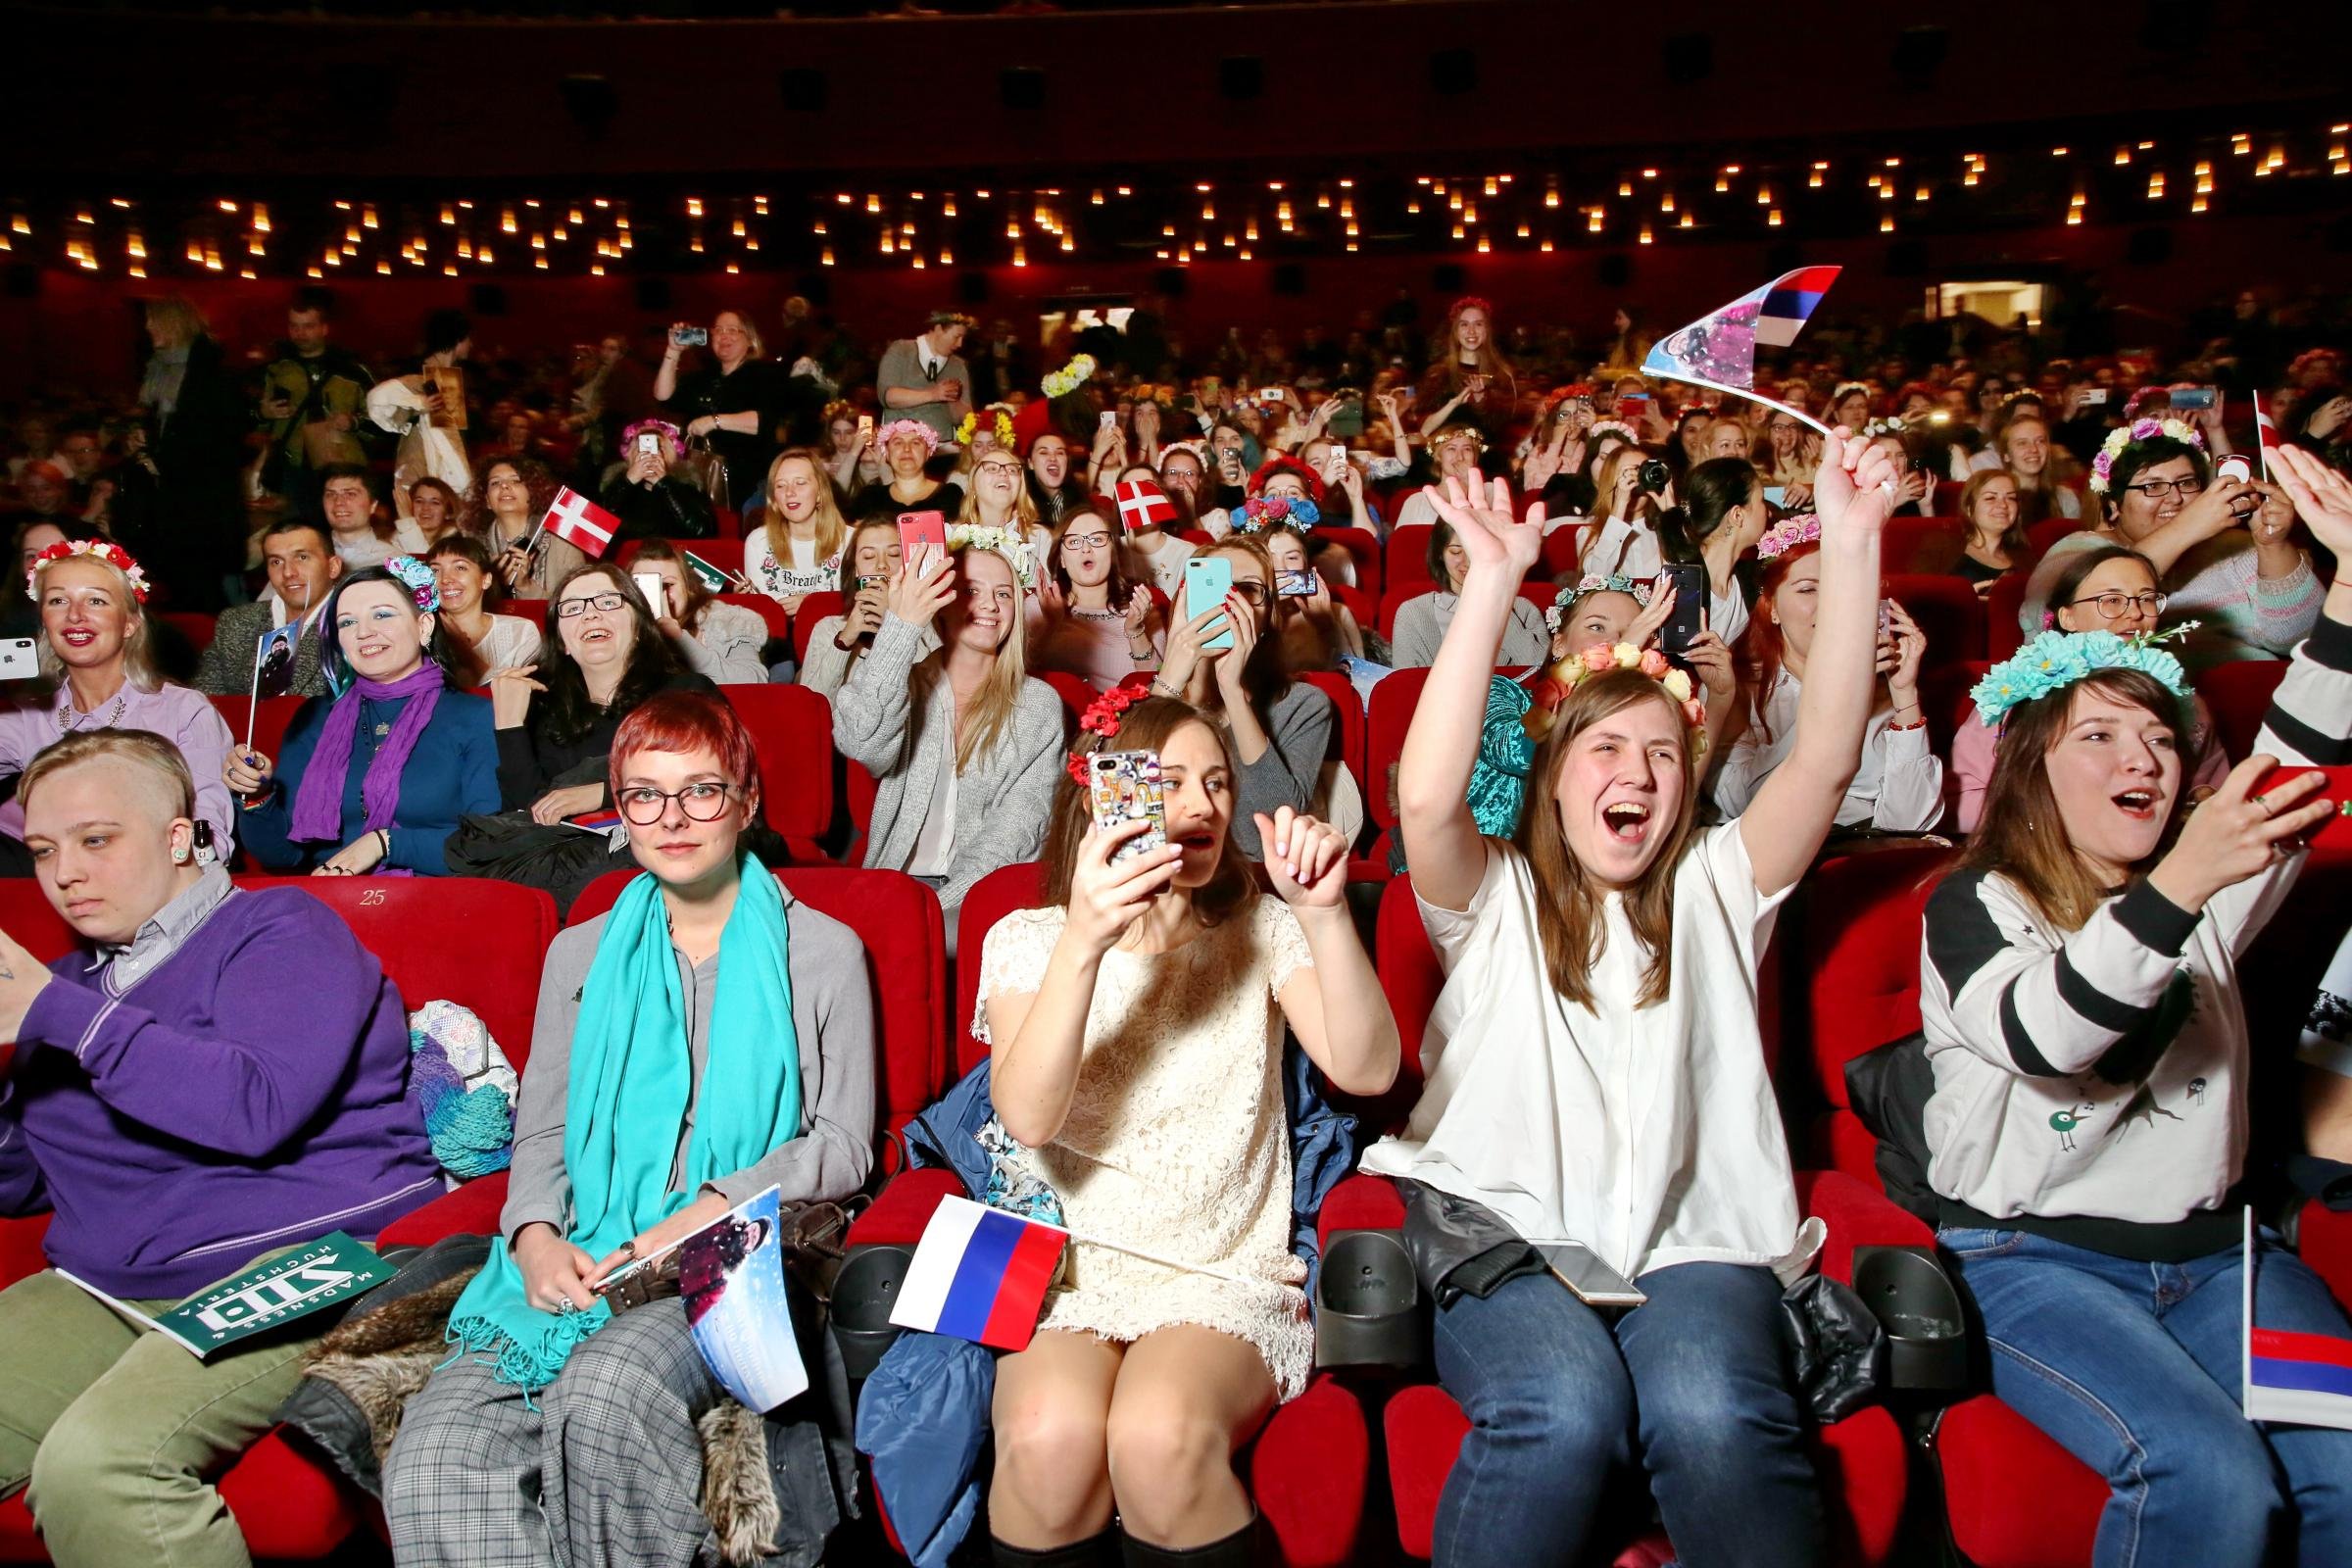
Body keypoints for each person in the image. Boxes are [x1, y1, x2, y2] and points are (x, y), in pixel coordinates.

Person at [1362, 445, 1901, 1567]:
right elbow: (1423, 792)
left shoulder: (1718, 883)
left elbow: (1828, 757)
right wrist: (1493, 583)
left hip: (1692, 1237)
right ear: (1557, 776)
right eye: (1607, 747)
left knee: (1713, 1414)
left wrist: (1850, 544)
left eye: (1665, 753)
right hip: (1504, 1230)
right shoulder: (1495, 893)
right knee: (1564, 1414)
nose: (1641, 773)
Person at [1915, 442, 2352, 1568]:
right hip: (2030, 1260)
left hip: (2222, 1257)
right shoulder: (1976, 902)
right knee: (2209, 1474)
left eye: (2161, 735)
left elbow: (2297, 752)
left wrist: (2347, 592)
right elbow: (2048, 1035)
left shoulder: (2198, 872)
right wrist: (2179, 883)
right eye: (2101, 735)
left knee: (2345, 1470)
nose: (2144, 756)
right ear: (2034, 767)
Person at [384, 691, 874, 1568]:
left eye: (702, 792)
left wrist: (713, 1206)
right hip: (582, 1251)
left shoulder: (823, 948)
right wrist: (533, 1235)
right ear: (619, 808)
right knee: (434, 1457)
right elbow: (541, 1132)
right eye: (645, 794)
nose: (673, 818)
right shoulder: (580, 950)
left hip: (731, 1253)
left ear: (747, 801)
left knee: (605, 1394)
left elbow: (845, 1141)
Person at [0, 728, 439, 1568]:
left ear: (177, 838)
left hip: (309, 1259)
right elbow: (23, 1181)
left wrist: (57, 1014)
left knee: (99, 1468)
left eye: (96, 840)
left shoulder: (280, 928)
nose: (65, 873)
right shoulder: (66, 989)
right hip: (109, 1283)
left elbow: (255, 1109)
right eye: (43, 850)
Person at [979, 700, 1398, 1568]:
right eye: (1167, 783)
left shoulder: (1262, 930)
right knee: (1045, 1440)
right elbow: (1028, 1116)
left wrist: (1323, 914)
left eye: (1216, 782)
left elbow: (1369, 1070)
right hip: (1072, 1271)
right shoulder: (1028, 940)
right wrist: (1087, 940)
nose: (1202, 805)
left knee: (1159, 1435)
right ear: (1104, 799)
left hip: (1220, 1269)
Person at [831, 534, 1063, 941]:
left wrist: (933, 912)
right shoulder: (904, 685)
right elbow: (861, 741)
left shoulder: (1039, 706)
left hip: (981, 895)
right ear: (941, 600)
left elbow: (1016, 829)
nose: (991, 605)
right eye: (971, 591)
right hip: (896, 886)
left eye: (1004, 594)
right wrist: (900, 629)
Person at [223, 559, 499, 876]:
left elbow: (486, 848)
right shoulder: (315, 717)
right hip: (332, 903)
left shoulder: (474, 717)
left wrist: (385, 844)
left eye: (382, 615)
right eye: (347, 623)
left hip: (435, 900)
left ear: (423, 626)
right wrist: (257, 797)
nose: (364, 632)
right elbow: (281, 855)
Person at [1951, 545, 2230, 833]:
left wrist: (2199, 800)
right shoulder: (2020, 694)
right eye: (2111, 600)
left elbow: (2210, 788)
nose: (2135, 613)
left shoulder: (2184, 701)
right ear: (2067, 617)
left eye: (2146, 599)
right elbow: (1964, 805)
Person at [0, 539, 236, 869]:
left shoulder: (183, 709)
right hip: (36, 872)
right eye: (58, 601)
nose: (75, 615)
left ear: (129, 623)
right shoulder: (26, 714)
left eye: (95, 600)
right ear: (44, 623)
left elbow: (207, 824)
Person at [2018, 420, 2323, 666]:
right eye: (2153, 486)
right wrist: (2187, 527)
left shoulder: (2234, 549)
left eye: (2187, 483)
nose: (2175, 498)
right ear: (2113, 505)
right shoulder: (2079, 549)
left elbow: (2298, 636)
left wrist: (2273, 543)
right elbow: (2045, 622)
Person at [1713, 514, 1944, 833]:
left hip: (1862, 854)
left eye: (1841, 589)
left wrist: (1904, 693)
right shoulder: (1733, 685)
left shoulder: (1882, 684)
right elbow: (1740, 802)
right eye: (1808, 590)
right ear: (1773, 609)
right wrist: (1837, 693)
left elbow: (1910, 821)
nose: (1830, 605)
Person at [1144, 535, 1339, 859]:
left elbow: (1264, 836)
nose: (1232, 603)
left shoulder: (1304, 705)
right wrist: (1171, 680)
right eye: (1215, 586)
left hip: (1249, 882)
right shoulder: (1155, 694)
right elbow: (1126, 810)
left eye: (1249, 589)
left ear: (1269, 616)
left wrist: (1232, 691)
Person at [487, 563, 717, 825]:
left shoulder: (687, 694)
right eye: (573, 608)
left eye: (608, 602)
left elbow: (711, 782)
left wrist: (605, 793)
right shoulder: (548, 714)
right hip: (575, 861)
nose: (590, 615)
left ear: (640, 626)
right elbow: (524, 818)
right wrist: (509, 727)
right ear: (562, 642)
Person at [122, 296, 247, 612]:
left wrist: (164, 461)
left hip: (202, 503)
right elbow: (159, 424)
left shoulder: (212, 374)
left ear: (174, 324)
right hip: (168, 499)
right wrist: (142, 439)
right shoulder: (157, 369)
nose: (148, 328)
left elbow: (219, 442)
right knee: (177, 585)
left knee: (204, 590)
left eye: (155, 320)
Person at [654, 311, 785, 512]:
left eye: (732, 330)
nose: (724, 336)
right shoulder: (705, 376)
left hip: (747, 479)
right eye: (718, 330)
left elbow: (765, 420)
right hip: (703, 476)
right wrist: (673, 351)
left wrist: (714, 421)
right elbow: (663, 396)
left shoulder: (764, 373)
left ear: (750, 339)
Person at [194, 521, 341, 699]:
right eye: (276, 561)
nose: (288, 572)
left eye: (302, 557)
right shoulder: (235, 623)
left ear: (333, 567)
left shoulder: (354, 625)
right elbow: (205, 702)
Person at [1029, 505, 1162, 692]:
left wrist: (1136, 630)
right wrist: (1051, 626)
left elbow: (1160, 686)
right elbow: (1015, 675)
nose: (1086, 548)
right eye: (1074, 542)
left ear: (1113, 553)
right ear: (1062, 559)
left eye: (1097, 539)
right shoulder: (1039, 605)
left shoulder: (1141, 609)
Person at [257, 289, 373, 504]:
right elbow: (250, 420)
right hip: (291, 470)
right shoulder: (276, 370)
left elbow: (382, 422)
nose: (300, 333)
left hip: (342, 470)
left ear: (324, 328)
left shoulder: (353, 371)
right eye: (294, 326)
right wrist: (263, 414)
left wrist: (353, 422)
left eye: (308, 326)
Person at [1389, 519, 1550, 668]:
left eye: (1478, 551)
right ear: (1440, 554)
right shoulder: (1413, 613)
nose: (1468, 562)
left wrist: (1498, 606)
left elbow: (1544, 675)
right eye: (1456, 552)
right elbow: (1405, 689)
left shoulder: (1523, 611)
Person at [364, 308, 473, 518]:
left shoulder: (448, 377)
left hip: (442, 475)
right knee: (416, 536)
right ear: (458, 339)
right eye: (468, 338)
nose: (471, 344)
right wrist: (416, 402)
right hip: (420, 468)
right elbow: (376, 400)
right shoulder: (420, 376)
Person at [797, 518, 914, 699]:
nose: (881, 565)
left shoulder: (925, 625)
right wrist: (845, 640)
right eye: (868, 556)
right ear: (856, 570)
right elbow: (810, 707)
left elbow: (930, 699)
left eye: (894, 554)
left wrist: (897, 625)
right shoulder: (827, 629)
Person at [628, 538, 770, 684]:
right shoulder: (617, 626)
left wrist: (679, 638)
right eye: (646, 586)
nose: (660, 594)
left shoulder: (728, 620)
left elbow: (754, 680)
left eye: (667, 584)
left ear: (689, 589)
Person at [744, 448, 851, 612]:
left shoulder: (851, 539)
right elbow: (763, 617)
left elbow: (854, 606)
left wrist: (812, 605)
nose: (790, 493)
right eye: (780, 485)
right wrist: (748, 603)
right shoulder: (758, 542)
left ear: (820, 492)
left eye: (800, 483)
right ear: (774, 498)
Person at [427, 534, 539, 684]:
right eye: (435, 571)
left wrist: (467, 654)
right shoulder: (420, 635)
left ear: (486, 580)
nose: (445, 579)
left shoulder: (521, 632)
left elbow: (515, 697)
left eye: (460, 567)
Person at [1261, 522, 1367, 673]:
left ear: (1307, 565)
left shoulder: (1340, 613)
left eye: (1292, 558)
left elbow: (1357, 679)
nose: (1281, 568)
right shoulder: (1248, 614)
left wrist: (1327, 627)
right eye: (1269, 557)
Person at [470, 457, 579, 601]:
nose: (504, 486)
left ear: (532, 493)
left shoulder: (562, 543)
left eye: (515, 481)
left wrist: (525, 586)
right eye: (495, 483)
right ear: (487, 501)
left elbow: (574, 605)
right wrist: (496, 585)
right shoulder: (473, 548)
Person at [599, 418, 717, 544]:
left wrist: (664, 484)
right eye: (641, 448)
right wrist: (627, 481)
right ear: (628, 456)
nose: (650, 454)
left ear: (674, 455)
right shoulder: (615, 489)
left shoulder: (689, 488)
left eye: (658, 447)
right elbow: (595, 527)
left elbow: (703, 533)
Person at [1416, 297, 1517, 441]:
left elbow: (1502, 429)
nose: (1471, 331)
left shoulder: (1501, 374)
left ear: (1487, 330)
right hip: (1443, 455)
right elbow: (1423, 426)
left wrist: (1480, 400)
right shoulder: (1438, 374)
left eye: (1478, 324)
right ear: (1455, 331)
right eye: (1464, 325)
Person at [875, 310, 974, 446]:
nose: (960, 344)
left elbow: (964, 417)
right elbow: (888, 397)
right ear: (939, 329)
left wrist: (953, 400)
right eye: (956, 337)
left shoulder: (958, 365)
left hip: (943, 446)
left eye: (963, 338)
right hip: (902, 447)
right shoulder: (901, 350)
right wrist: (934, 394)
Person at [319, 463, 428, 572]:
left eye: (350, 494)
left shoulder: (396, 562)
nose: (339, 502)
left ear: (373, 505)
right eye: (331, 494)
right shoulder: (312, 557)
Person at [855, 419, 958, 523]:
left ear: (928, 452)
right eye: (898, 443)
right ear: (886, 452)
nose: (907, 449)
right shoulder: (870, 497)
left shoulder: (950, 495)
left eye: (916, 443)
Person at [1111, 467, 1195, 597]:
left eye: (1147, 486)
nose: (1139, 495)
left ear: (1164, 497)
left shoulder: (1186, 553)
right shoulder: (1110, 550)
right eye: (1130, 488)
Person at [1391, 423, 1487, 531]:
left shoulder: (1488, 496)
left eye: (1467, 449)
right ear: (1439, 457)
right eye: (1451, 449)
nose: (1460, 457)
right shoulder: (1417, 502)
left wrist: (1469, 482)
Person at [1952, 468, 2032, 593]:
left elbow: (2046, 610)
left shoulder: (2026, 559)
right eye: (1990, 498)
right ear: (1969, 508)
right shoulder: (1942, 548)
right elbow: (1917, 600)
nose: (2003, 505)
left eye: (2011, 498)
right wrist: (1964, 600)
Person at [1995, 414, 2082, 523]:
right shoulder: (1996, 500)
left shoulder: (2065, 498)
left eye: (2040, 441)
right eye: (2022, 443)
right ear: (2006, 455)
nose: (2033, 449)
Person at [404, 476, 465, 548]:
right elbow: (389, 559)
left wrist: (406, 522)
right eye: (419, 501)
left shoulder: (455, 545)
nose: (425, 508)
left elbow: (422, 558)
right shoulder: (395, 540)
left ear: (448, 512)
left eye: (435, 503)